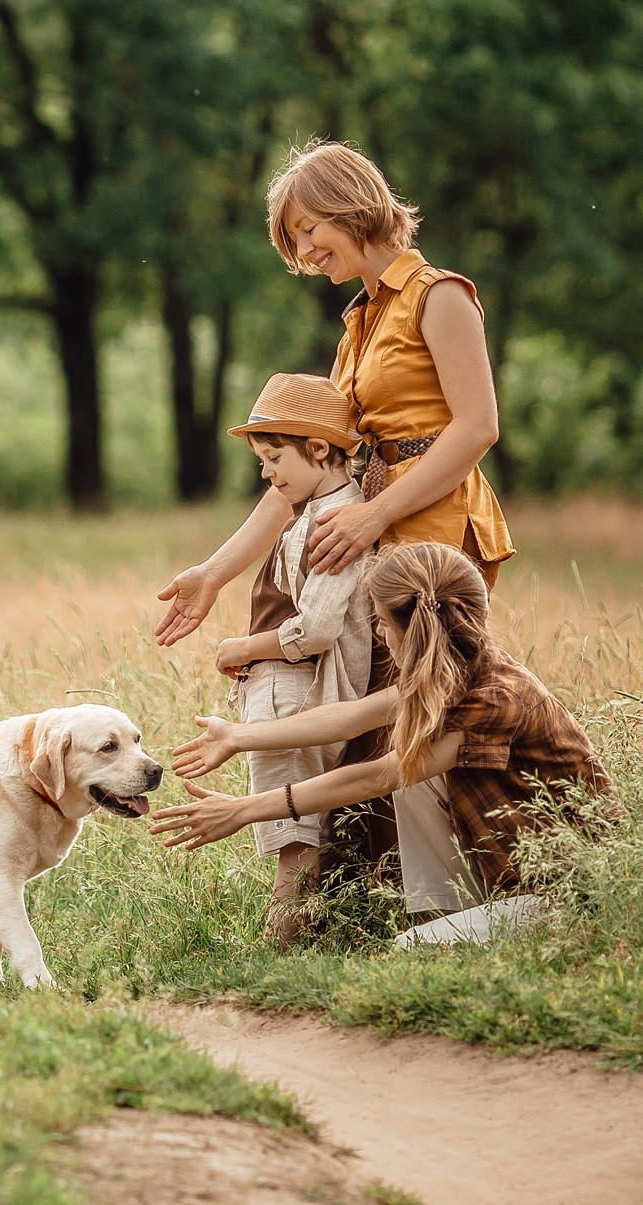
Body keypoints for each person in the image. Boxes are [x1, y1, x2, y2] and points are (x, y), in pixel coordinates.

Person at [153, 138, 516, 894]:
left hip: (435, 534)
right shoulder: (358, 321)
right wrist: (216, 572)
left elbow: (477, 427)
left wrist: (372, 513)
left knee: (419, 712)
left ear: (353, 204)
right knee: (374, 717)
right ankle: (378, 898)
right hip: (376, 532)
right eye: (292, 239)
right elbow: (303, 471)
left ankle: (453, 901)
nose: (303, 249)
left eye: (308, 228)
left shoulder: (439, 295)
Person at [153, 543, 618, 932]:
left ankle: (449, 932)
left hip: (567, 901)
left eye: (380, 620)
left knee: (406, 775)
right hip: (514, 884)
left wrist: (242, 809)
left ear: (413, 627)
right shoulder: (454, 672)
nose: (377, 630)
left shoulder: (495, 699)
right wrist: (238, 736)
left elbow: (378, 777)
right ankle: (445, 918)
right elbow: (349, 718)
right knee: (413, 768)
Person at [214, 373, 376, 945]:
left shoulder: (336, 520)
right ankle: (309, 941)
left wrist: (244, 648)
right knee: (301, 828)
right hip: (288, 685)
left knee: (293, 834)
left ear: (320, 449)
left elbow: (318, 628)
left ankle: (279, 951)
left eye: (274, 456)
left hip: (297, 691)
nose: (266, 473)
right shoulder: (314, 510)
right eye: (262, 459)